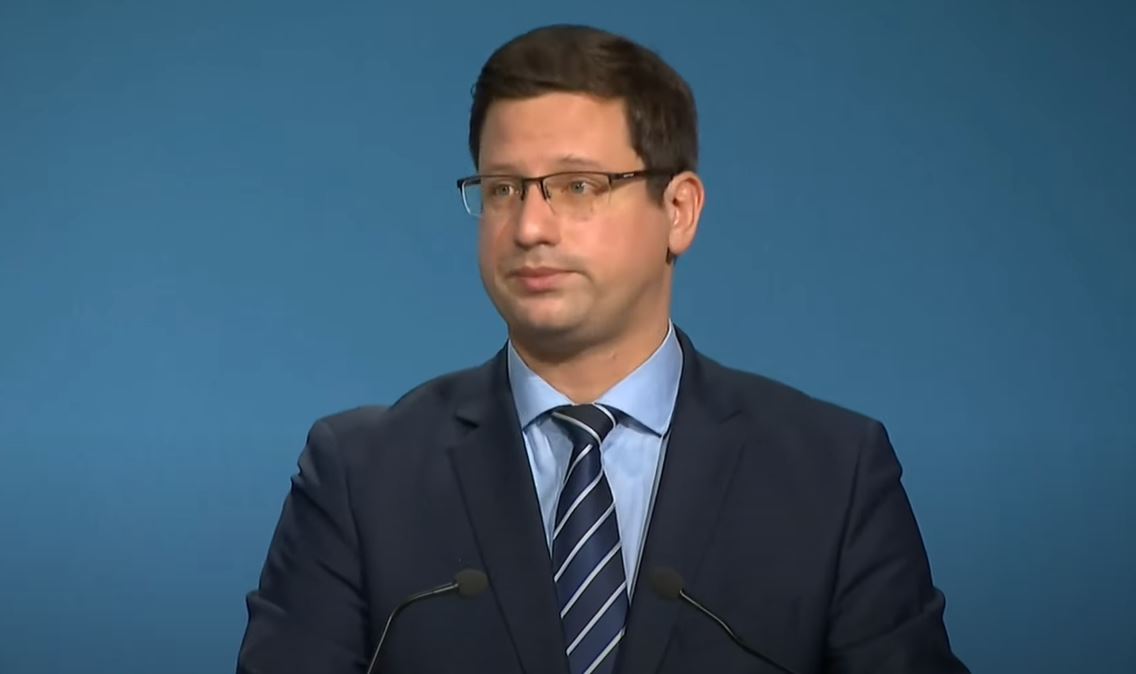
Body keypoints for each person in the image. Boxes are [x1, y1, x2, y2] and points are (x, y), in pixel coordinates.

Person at [237, 24, 969, 674]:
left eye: (577, 186)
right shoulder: (361, 478)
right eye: (502, 189)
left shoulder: (834, 476)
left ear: (678, 211)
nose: (530, 228)